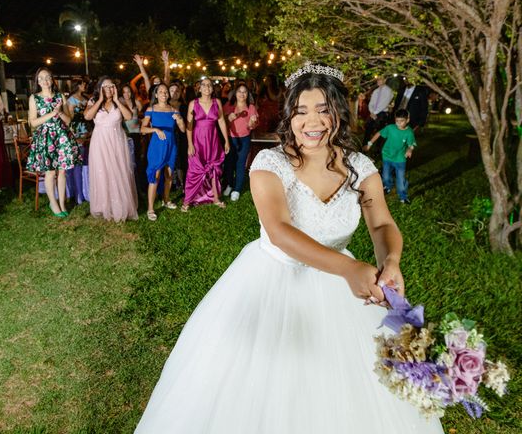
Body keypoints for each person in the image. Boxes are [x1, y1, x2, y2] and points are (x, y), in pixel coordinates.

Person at [134, 63, 444, 434]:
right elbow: (279, 231)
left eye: (323, 109)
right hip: (272, 280)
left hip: (342, 295)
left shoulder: (360, 167)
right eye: (301, 111)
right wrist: (348, 269)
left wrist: (390, 260)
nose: (311, 122)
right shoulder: (270, 163)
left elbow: (381, 224)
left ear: (339, 113)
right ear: (289, 116)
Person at [26, 67, 82, 217]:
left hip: (62, 137)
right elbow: (32, 123)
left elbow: (69, 120)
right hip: (46, 138)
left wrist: (60, 112)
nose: (44, 81)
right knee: (50, 172)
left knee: (62, 172)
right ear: (37, 81)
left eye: (47, 77)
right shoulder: (34, 98)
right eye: (41, 78)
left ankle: (62, 203)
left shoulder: (60, 97)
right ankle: (53, 203)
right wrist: (52, 113)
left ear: (52, 79)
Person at [84, 76, 138, 222]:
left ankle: (121, 206)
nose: (108, 89)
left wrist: (116, 100)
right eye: (105, 86)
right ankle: (103, 206)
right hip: (100, 141)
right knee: (102, 171)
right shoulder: (93, 101)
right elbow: (88, 116)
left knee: (118, 170)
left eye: (111, 86)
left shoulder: (119, 101)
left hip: (116, 141)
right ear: (100, 88)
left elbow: (129, 116)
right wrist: (100, 100)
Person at [181, 78, 230, 211]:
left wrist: (226, 140)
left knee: (214, 168)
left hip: (213, 140)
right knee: (194, 170)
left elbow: (221, 122)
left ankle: (215, 198)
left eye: (209, 85)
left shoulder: (217, 102)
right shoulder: (193, 103)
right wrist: (190, 144)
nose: (207, 87)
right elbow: (189, 126)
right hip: (197, 140)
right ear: (199, 88)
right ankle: (187, 201)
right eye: (204, 85)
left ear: (212, 88)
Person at [141, 83, 186, 221]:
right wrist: (155, 129)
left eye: (166, 91)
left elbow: (183, 129)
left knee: (169, 174)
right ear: (155, 94)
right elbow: (142, 129)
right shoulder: (151, 109)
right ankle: (150, 208)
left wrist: (180, 119)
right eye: (160, 91)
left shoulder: (174, 110)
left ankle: (166, 200)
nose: (164, 94)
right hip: (157, 146)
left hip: (171, 145)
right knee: (155, 175)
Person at [364, 109, 416, 204]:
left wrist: (409, 150)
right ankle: (388, 186)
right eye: (397, 121)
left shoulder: (409, 132)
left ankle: (403, 197)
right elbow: (379, 133)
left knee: (400, 179)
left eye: (402, 121)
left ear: (407, 120)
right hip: (387, 156)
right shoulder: (390, 128)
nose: (399, 124)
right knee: (386, 177)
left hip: (400, 159)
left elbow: (411, 144)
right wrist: (369, 143)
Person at [222, 83, 258, 201]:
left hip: (244, 138)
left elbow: (252, 125)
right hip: (231, 138)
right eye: (239, 91)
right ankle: (229, 185)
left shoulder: (251, 107)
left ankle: (237, 189)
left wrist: (252, 122)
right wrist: (228, 118)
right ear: (235, 93)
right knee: (229, 163)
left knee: (240, 164)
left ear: (248, 95)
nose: (242, 94)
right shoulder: (229, 105)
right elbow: (222, 122)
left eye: (245, 92)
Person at [364, 76, 394, 144]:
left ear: (385, 80)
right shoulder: (376, 91)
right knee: (368, 129)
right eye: (378, 80)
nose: (378, 81)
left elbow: (384, 103)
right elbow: (371, 103)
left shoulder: (388, 91)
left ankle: (377, 150)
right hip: (373, 113)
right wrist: (371, 112)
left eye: (380, 80)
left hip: (382, 113)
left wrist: (375, 112)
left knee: (380, 132)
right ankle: (364, 146)